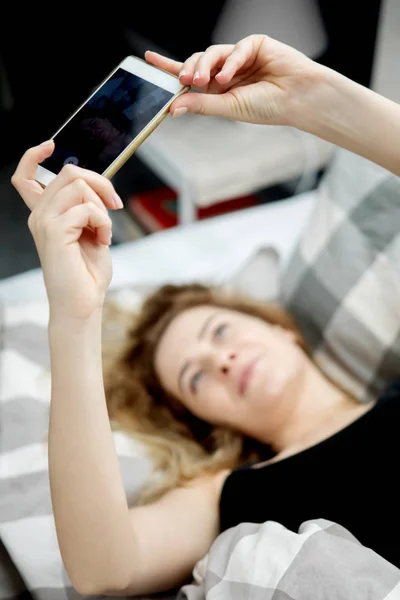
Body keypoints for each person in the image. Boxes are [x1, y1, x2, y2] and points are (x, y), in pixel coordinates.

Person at [11, 34, 400, 597]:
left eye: (219, 331)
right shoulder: (233, 494)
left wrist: (316, 99)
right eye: (194, 379)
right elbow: (103, 571)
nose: (220, 361)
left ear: (278, 325)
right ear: (204, 422)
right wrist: (74, 315)